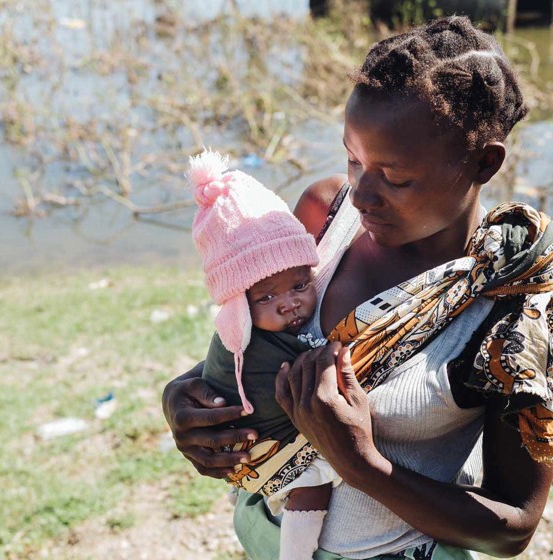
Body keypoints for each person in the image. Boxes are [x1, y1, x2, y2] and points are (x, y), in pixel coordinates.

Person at [163, 16, 553, 560]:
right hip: (269, 535)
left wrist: (361, 465)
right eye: (353, 158)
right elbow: (259, 331)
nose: (362, 193)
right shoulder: (324, 215)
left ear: (484, 161)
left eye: (394, 178)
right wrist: (188, 397)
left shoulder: (512, 313)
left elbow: (511, 528)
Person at [187, 149, 343, 559]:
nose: (289, 305)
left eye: (299, 285)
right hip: (257, 442)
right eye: (267, 297)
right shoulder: (245, 343)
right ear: (239, 306)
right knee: (313, 483)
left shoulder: (268, 327)